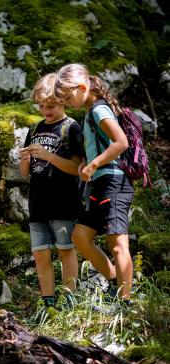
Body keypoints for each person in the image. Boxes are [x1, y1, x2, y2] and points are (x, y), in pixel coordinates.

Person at [54, 63, 134, 304]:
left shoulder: (99, 111)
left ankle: (125, 302)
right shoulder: (91, 113)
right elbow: (101, 146)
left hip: (114, 182)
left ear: (82, 87)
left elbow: (121, 143)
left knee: (117, 243)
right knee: (80, 236)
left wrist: (94, 164)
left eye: (69, 97)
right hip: (99, 184)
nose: (68, 104)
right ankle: (114, 280)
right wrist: (86, 163)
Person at [19, 73, 83, 309]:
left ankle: (69, 301)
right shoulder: (35, 128)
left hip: (64, 202)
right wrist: (24, 158)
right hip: (37, 203)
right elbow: (25, 172)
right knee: (40, 254)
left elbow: (77, 167)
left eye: (51, 106)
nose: (46, 110)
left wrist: (48, 156)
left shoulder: (71, 128)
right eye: (42, 106)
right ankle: (48, 304)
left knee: (66, 249)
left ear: (64, 101)